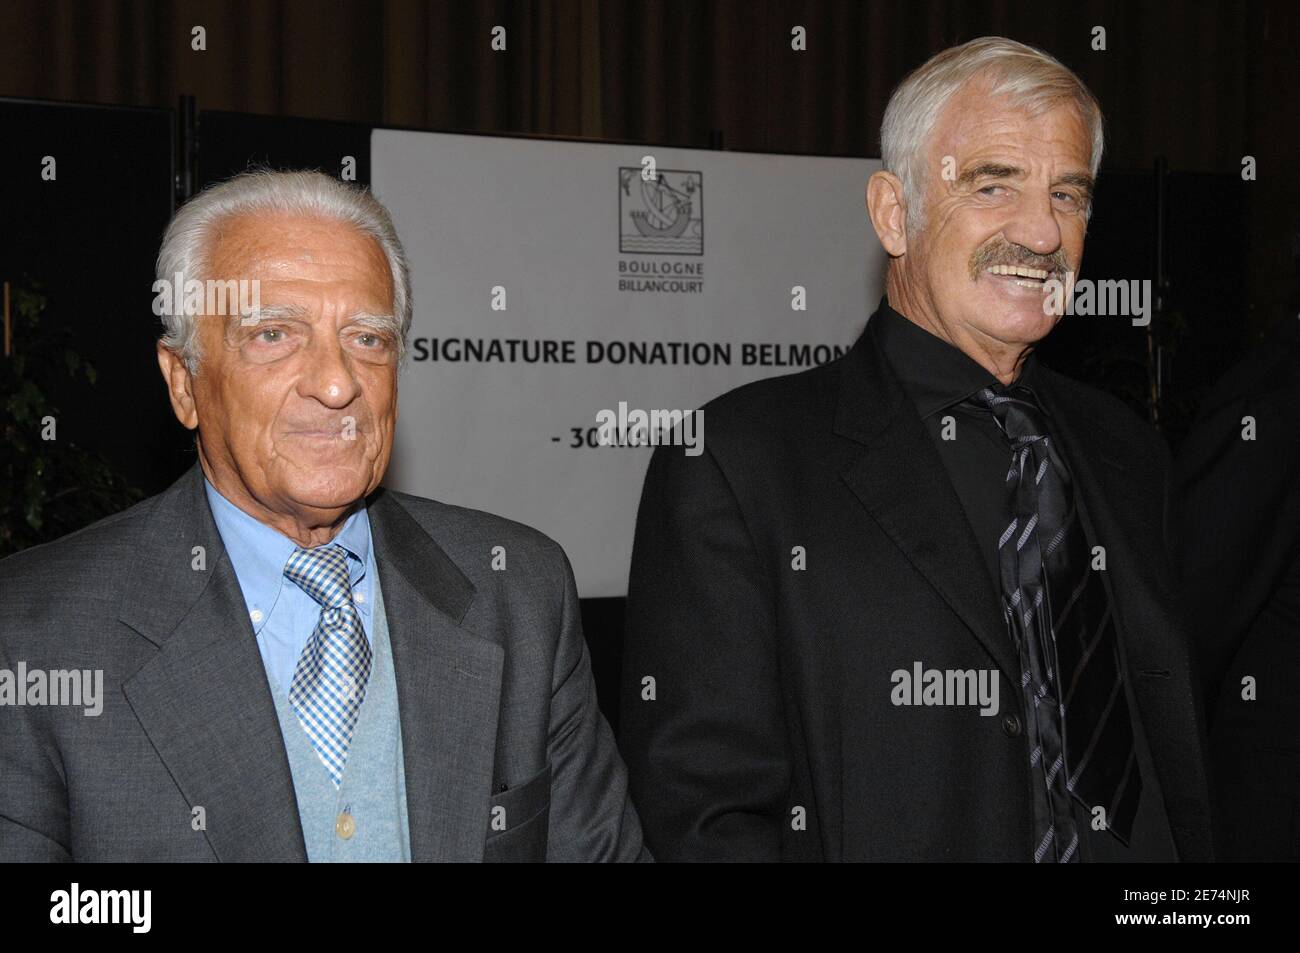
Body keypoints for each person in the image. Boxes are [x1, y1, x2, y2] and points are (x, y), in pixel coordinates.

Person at [620, 37, 1213, 862]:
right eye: (993, 183)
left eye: (1068, 194)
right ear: (895, 212)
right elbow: (707, 817)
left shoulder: (1125, 450)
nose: (1042, 231)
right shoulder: (738, 465)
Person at [0, 170, 646, 862]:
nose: (338, 382)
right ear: (184, 382)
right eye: (274, 334)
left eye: (368, 338)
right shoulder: (37, 635)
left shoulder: (517, 592)